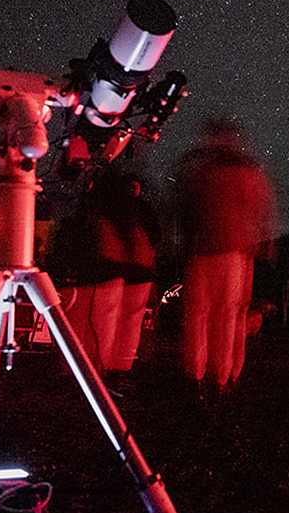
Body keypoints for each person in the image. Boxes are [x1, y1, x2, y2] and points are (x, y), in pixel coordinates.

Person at [172, 118, 276, 395]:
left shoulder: (208, 170)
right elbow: (260, 208)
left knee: (214, 314)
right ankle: (214, 374)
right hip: (221, 250)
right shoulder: (216, 170)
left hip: (225, 250)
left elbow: (184, 206)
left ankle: (213, 374)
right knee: (217, 314)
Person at [51, 167, 160, 380]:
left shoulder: (99, 210)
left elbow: (86, 239)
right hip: (138, 269)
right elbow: (154, 235)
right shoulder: (137, 210)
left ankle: (99, 371)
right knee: (129, 324)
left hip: (110, 270)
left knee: (103, 324)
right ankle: (119, 371)